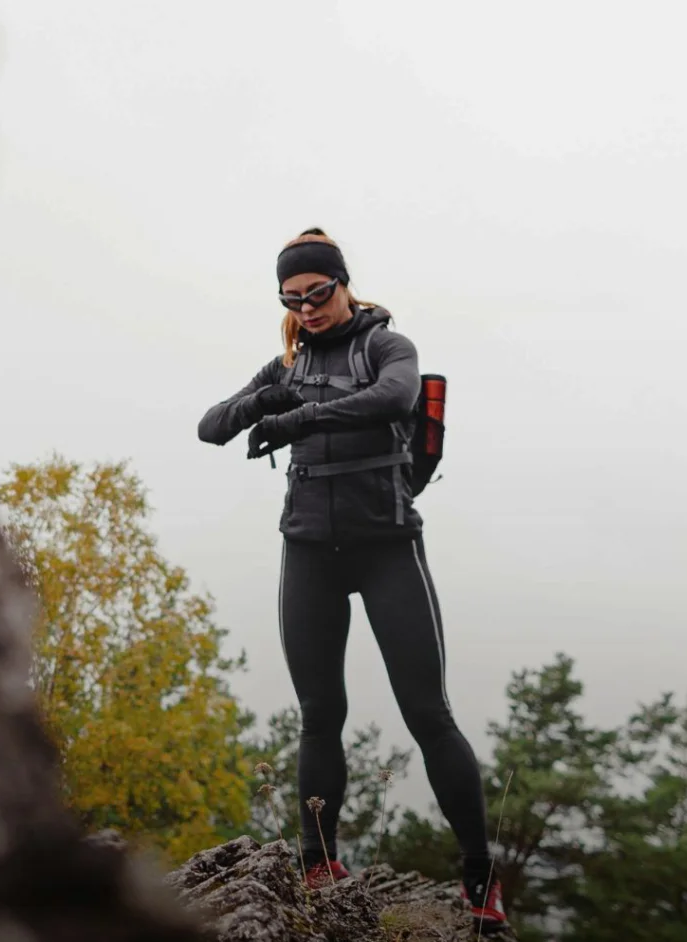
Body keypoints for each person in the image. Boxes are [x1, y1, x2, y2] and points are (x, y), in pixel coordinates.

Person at [197, 228, 507, 933]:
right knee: (319, 714)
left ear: (343, 284)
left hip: (388, 548)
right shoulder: (286, 364)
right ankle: (318, 863)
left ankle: (480, 877)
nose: (306, 308)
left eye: (318, 292)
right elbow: (210, 428)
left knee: (428, 714)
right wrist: (262, 402)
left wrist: (300, 416)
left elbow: (393, 400)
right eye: (291, 298)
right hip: (309, 551)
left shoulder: (386, 347)